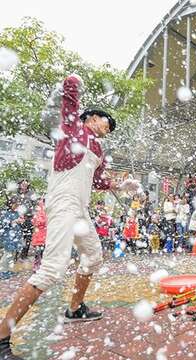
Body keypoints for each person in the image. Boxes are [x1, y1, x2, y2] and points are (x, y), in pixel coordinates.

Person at [0, 75, 127, 360]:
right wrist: (73, 82)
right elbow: (70, 102)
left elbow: (97, 182)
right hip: (62, 203)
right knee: (51, 270)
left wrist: (119, 185)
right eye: (107, 122)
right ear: (91, 118)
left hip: (80, 209)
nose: (109, 129)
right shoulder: (73, 129)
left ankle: (75, 308)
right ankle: (2, 338)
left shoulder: (97, 149)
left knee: (93, 257)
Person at [0, 197, 24, 279]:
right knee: (7, 254)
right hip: (8, 237)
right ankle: (2, 271)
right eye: (16, 204)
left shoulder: (17, 213)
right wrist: (13, 222)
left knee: (12, 255)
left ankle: (8, 270)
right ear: (11, 204)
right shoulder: (6, 213)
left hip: (15, 236)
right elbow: (3, 224)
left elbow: (19, 223)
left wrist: (20, 221)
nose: (17, 206)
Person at [30, 198, 47, 272]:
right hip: (39, 236)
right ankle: (37, 267)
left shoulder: (44, 211)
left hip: (43, 236)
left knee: (42, 253)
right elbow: (35, 222)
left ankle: (40, 266)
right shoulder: (39, 212)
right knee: (39, 253)